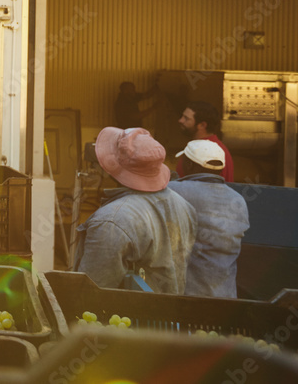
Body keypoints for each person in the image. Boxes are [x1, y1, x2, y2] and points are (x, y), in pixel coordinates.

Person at [73, 127, 197, 294]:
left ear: (111, 167)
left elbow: (91, 292)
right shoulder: (183, 204)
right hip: (170, 313)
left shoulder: (111, 221)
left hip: (130, 318)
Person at [168, 140, 249, 298]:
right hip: (226, 298)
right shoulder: (239, 200)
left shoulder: (175, 190)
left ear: (190, 165)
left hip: (187, 300)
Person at [177, 101, 234, 182]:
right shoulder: (215, 148)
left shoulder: (214, 153)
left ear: (202, 125)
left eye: (186, 118)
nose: (180, 120)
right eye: (182, 116)